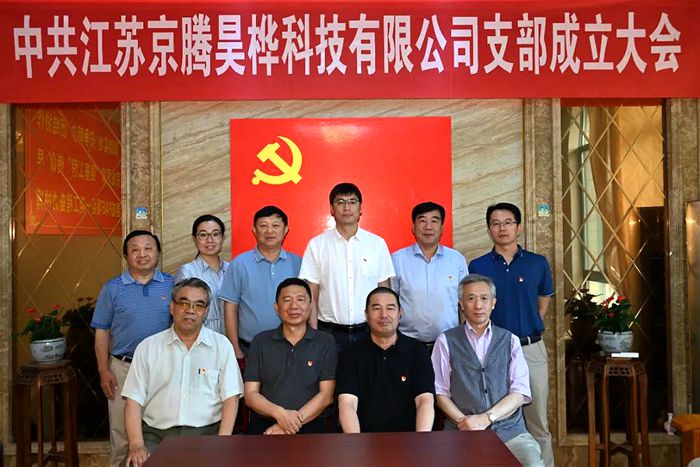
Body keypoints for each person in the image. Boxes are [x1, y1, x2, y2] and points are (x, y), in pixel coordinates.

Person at [122, 277, 243, 467]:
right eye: (184, 303)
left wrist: (222, 442)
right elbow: (133, 400)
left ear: (206, 311)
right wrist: (136, 444)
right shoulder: (148, 347)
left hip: (207, 435)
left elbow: (231, 398)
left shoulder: (222, 346)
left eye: (198, 305)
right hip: (156, 435)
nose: (190, 310)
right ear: (172, 307)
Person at [468, 202, 554, 467]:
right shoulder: (478, 265)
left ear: (519, 227)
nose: (502, 228)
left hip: (530, 348)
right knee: (496, 417)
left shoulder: (537, 263)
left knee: (538, 420)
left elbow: (543, 302)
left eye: (507, 222)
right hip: (493, 352)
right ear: (489, 229)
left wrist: (527, 327)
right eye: (495, 223)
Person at [432, 274, 543, 467]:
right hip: (460, 432)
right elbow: (440, 393)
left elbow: (520, 393)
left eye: (484, 298)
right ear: (461, 304)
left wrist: (486, 418)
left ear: (493, 303)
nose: (478, 305)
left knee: (532, 463)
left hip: (510, 433)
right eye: (471, 298)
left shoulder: (510, 340)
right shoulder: (446, 341)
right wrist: (464, 422)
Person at [91, 230, 174, 467]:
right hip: (123, 368)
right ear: (126, 256)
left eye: (148, 248)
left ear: (158, 253)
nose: (142, 254)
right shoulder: (112, 288)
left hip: (162, 366)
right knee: (121, 434)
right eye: (135, 250)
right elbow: (102, 332)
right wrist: (103, 370)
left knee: (161, 429)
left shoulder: (172, 285)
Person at [299, 182, 395, 351]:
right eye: (340, 202)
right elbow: (311, 294)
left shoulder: (377, 244)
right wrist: (313, 335)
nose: (346, 207)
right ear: (332, 209)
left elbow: (384, 290)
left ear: (360, 208)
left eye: (352, 202)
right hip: (329, 333)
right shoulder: (317, 245)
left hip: (370, 331)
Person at [244, 278, 337, 434]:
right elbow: (250, 394)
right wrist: (280, 415)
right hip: (266, 426)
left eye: (300, 299)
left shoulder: (325, 342)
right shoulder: (260, 341)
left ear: (311, 306)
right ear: (277, 307)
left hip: (311, 424)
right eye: (287, 300)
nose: (294, 306)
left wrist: (286, 426)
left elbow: (326, 395)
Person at [336, 287, 434, 432]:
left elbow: (424, 400)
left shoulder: (417, 351)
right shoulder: (351, 354)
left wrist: (421, 440)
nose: (384, 315)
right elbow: (347, 403)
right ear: (366, 314)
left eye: (390, 308)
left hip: (409, 439)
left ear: (400, 313)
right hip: (363, 439)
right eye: (376, 308)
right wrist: (355, 442)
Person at [220, 206, 302, 358]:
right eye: (263, 226)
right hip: (250, 349)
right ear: (254, 230)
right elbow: (230, 307)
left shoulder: (298, 263)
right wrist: (235, 348)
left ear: (285, 230)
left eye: (275, 225)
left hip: (293, 348)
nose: (270, 231)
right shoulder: (239, 264)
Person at [391, 201, 468, 350]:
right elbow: (390, 302)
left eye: (434, 220)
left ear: (442, 228)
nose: (428, 227)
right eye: (422, 221)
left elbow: (463, 303)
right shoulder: (397, 260)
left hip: (449, 344)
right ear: (413, 228)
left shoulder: (456, 260)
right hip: (408, 345)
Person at [176, 214, 229, 334]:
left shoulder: (232, 269)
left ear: (222, 238)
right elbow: (182, 310)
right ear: (195, 239)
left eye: (215, 234)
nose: (210, 240)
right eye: (203, 235)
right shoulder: (187, 271)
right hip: (199, 337)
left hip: (229, 339)